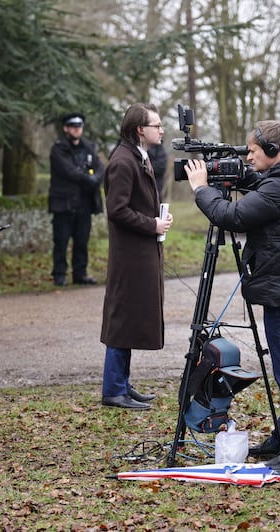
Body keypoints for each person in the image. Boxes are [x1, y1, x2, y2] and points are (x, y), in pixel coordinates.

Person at [184, 120, 280, 476]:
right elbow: (264, 188)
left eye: (252, 151)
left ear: (275, 153)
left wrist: (202, 189)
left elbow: (230, 216)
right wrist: (240, 177)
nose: (247, 156)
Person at [100, 103, 173, 410]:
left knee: (129, 320)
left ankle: (122, 385)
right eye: (157, 125)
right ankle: (114, 389)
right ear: (140, 129)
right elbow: (116, 210)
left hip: (140, 252)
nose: (162, 130)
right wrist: (152, 224)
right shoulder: (123, 161)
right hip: (130, 256)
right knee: (122, 320)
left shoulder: (137, 156)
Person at [48, 112, 104, 286]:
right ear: (66, 128)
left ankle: (80, 273)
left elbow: (99, 167)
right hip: (64, 203)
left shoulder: (88, 147)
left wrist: (96, 177)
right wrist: (90, 178)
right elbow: (68, 170)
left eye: (79, 127)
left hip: (84, 203)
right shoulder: (58, 148)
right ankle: (59, 274)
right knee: (61, 241)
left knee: (82, 241)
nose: (76, 129)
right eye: (73, 126)